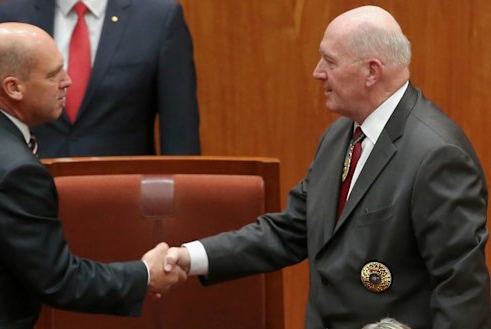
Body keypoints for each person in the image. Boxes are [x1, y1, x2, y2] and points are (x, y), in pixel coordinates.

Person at [163, 5, 491, 329]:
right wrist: (191, 257)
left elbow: (462, 291)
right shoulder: (340, 135)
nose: (317, 72)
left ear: (371, 72)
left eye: (330, 61)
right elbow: (292, 229)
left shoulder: (437, 155)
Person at [0, 23, 186, 329]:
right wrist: (145, 274)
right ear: (13, 88)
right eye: (54, 75)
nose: (68, 81)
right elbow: (61, 281)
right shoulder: (15, 171)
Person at [0, 0, 201, 157]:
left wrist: (180, 205)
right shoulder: (13, 14)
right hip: (30, 190)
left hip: (123, 191)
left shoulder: (159, 17)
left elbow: (180, 132)